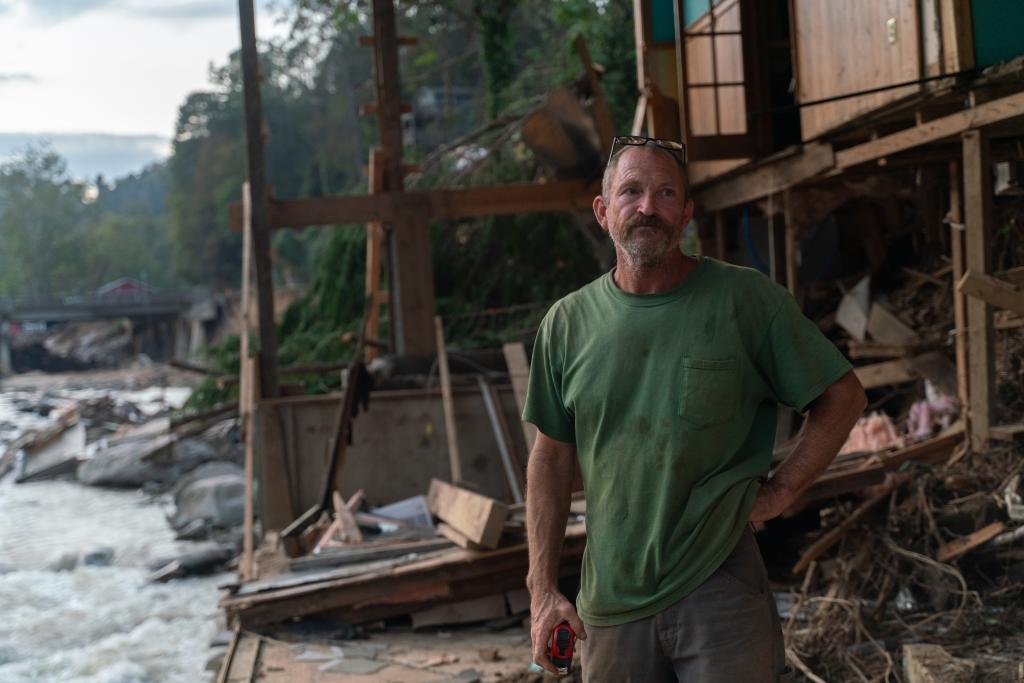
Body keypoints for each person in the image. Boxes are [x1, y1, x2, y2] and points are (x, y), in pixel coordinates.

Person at [523, 136, 867, 682]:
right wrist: (542, 591)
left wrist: (783, 490)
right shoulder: (567, 324)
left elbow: (842, 396)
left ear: (686, 212)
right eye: (631, 191)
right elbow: (550, 458)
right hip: (612, 602)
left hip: (721, 588)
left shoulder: (746, 302)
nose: (647, 207)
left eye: (665, 194)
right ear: (603, 210)